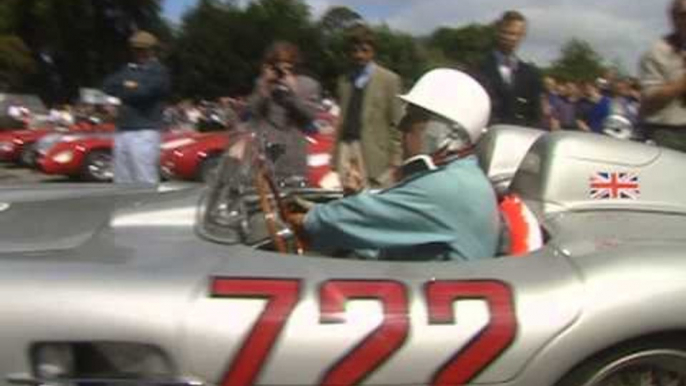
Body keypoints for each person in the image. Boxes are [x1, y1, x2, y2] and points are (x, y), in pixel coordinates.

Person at [291, 69, 501, 262]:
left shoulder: (451, 186)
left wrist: (304, 220)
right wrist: (355, 200)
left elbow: (363, 218)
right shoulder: (460, 177)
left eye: (412, 117)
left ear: (446, 132)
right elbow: (385, 240)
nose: (401, 125)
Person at [333, 25, 404, 191]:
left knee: (374, 202)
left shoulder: (389, 80)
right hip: (346, 147)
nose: (359, 55)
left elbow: (397, 123)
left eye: (364, 50)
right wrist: (334, 156)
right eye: (355, 50)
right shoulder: (344, 80)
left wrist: (396, 159)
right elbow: (341, 120)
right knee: (348, 198)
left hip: (374, 153)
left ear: (373, 51)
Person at [247, 41, 321, 182]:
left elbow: (309, 117)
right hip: (266, 155)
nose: (282, 67)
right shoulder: (262, 83)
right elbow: (252, 113)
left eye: (286, 62)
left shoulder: (308, 84)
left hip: (294, 156)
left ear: (294, 63)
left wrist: (294, 93)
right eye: (277, 62)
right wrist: (263, 88)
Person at [103, 30, 170, 183]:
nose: (139, 53)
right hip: (123, 129)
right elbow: (107, 85)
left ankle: (148, 207)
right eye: (136, 49)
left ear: (151, 50)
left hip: (144, 130)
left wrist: (124, 88)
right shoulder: (128, 69)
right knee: (121, 179)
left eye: (142, 49)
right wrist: (131, 86)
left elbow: (143, 93)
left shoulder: (159, 71)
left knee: (144, 179)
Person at [475, 10, 543, 128]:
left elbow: (535, 115)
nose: (512, 38)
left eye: (516, 34)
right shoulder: (478, 68)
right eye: (507, 33)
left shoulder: (530, 74)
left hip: (519, 138)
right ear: (498, 32)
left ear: (523, 36)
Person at [638, 0, 686, 152]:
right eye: (684, 15)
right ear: (673, 18)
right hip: (669, 134)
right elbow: (649, 100)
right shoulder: (657, 52)